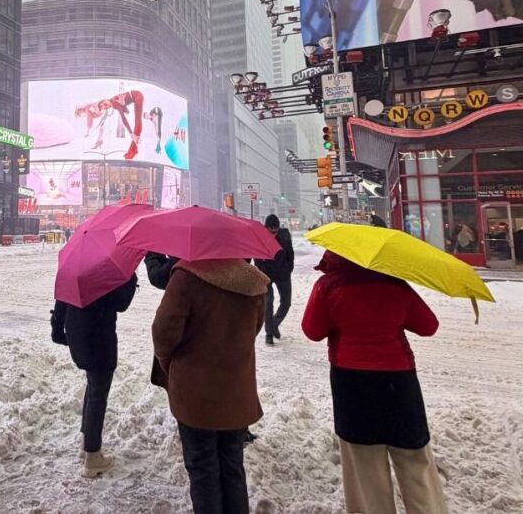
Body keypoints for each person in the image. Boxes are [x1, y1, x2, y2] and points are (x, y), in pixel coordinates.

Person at [302, 251, 448, 514]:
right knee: (414, 457)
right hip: (399, 382)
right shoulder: (393, 283)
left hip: (352, 383)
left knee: (364, 464)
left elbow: (312, 331)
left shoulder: (328, 286)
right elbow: (428, 325)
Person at [151, 259, 268, 513]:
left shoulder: (186, 277)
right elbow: (254, 329)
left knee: (203, 470)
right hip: (236, 393)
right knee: (232, 467)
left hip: (194, 396)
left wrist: (169, 363)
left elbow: (163, 333)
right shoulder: (253, 281)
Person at [50, 274, 139, 478]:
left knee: (93, 387)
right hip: (99, 340)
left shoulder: (75, 268)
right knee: (98, 393)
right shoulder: (105, 271)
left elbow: (63, 296)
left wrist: (57, 328)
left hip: (78, 335)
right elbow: (121, 303)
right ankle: (92, 456)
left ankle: (86, 442)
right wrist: (130, 279)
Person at [255, 215, 295, 346]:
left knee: (286, 303)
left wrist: (289, 268)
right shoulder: (259, 238)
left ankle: (274, 324)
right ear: (265, 228)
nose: (273, 234)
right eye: (270, 231)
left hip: (283, 274)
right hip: (266, 275)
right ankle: (269, 334)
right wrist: (260, 271)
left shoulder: (284, 236)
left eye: (275, 231)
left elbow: (290, 254)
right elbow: (256, 257)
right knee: (268, 303)